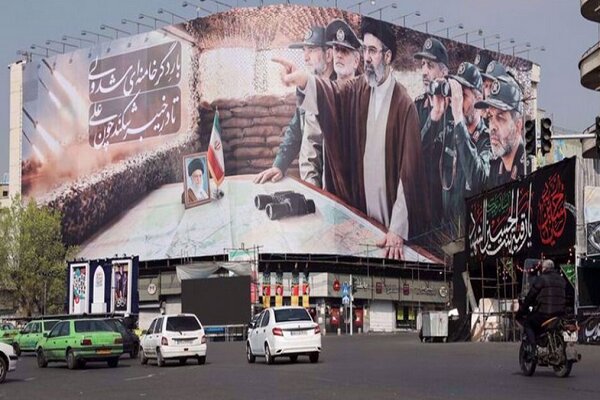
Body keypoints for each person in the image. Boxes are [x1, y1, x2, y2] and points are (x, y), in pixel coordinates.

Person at [273, 17, 429, 260]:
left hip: (389, 221)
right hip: (360, 214)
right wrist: (303, 80)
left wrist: (397, 229)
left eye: (372, 51)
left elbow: (409, 173)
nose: (367, 57)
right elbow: (332, 94)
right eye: (364, 50)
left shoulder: (403, 104)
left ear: (388, 56)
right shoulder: (358, 88)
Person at [254, 26, 335, 185]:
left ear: (329, 55)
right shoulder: (308, 89)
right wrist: (279, 165)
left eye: (311, 50)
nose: (305, 57)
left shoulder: (344, 92)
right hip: (312, 181)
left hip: (334, 187)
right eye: (304, 50)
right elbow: (296, 128)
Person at [300, 19, 362, 189]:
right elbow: (310, 154)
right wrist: (315, 194)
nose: (338, 55)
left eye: (345, 50)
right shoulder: (322, 97)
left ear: (356, 60)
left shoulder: (367, 97)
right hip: (332, 193)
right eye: (336, 49)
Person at [433, 62, 491, 223]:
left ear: (479, 99)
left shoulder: (488, 141)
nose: (456, 102)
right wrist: (435, 115)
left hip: (470, 231)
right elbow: (421, 158)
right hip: (445, 230)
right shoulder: (449, 131)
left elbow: (479, 182)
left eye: (462, 96)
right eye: (455, 96)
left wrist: (458, 118)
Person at [413, 38, 450, 224]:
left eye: (430, 65)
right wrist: (433, 117)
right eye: (422, 65)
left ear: (444, 72)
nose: (424, 71)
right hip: (421, 204)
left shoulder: (456, 110)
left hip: (447, 211)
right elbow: (413, 154)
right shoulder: (417, 107)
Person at [474, 78, 525, 189]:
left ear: (518, 126)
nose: (492, 127)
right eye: (490, 117)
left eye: (500, 118)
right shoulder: (495, 169)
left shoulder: (528, 168)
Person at [518, 259, 567, 350]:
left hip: (545, 314)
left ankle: (533, 348)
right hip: (560, 314)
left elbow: (531, 295)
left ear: (544, 268)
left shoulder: (542, 279)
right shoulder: (561, 279)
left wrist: (523, 308)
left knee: (528, 323)